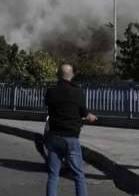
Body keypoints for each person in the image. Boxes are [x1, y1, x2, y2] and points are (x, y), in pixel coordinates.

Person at [45, 64, 98, 196]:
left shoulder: (51, 91)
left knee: (53, 175)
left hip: (54, 136)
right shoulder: (77, 92)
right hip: (71, 138)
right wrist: (89, 117)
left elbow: (51, 106)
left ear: (58, 75)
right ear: (72, 76)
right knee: (79, 175)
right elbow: (83, 112)